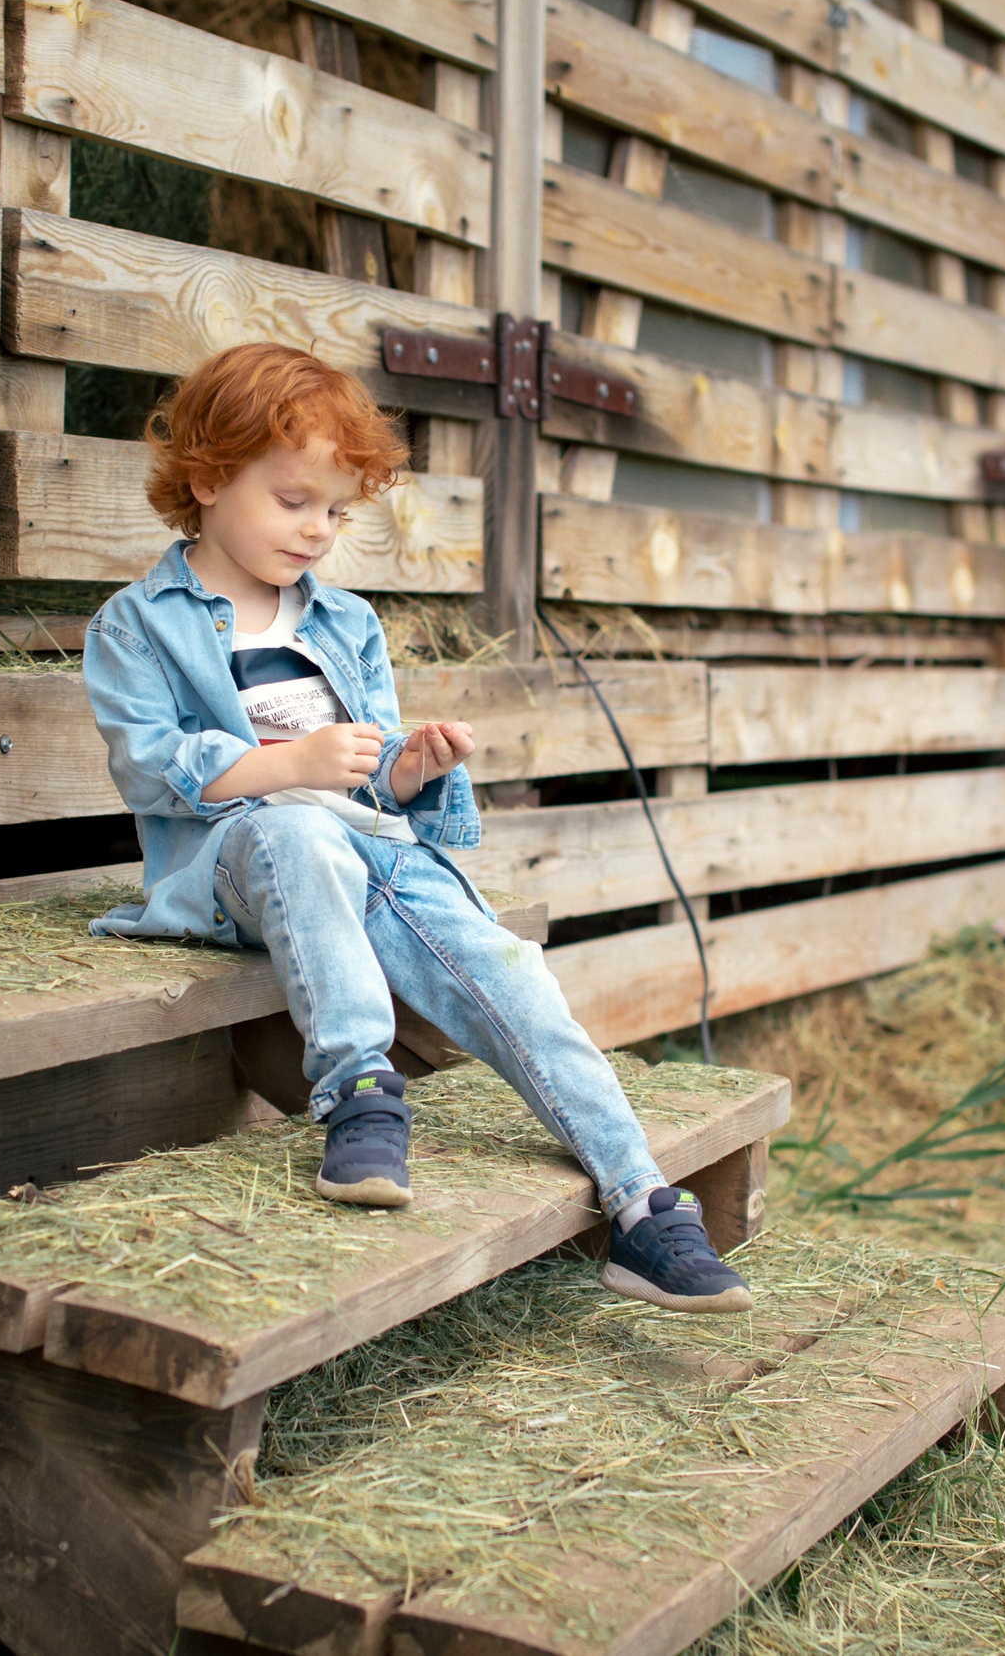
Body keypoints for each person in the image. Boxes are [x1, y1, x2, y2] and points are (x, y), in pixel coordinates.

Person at [81, 343, 752, 1314]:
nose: (317, 530)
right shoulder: (140, 625)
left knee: (507, 966)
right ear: (209, 476)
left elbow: (368, 788)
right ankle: (358, 1090)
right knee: (300, 836)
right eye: (293, 500)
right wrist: (290, 768)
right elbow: (150, 765)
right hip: (239, 855)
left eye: (335, 511)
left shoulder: (345, 621)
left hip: (367, 848)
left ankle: (641, 1204)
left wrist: (407, 768)